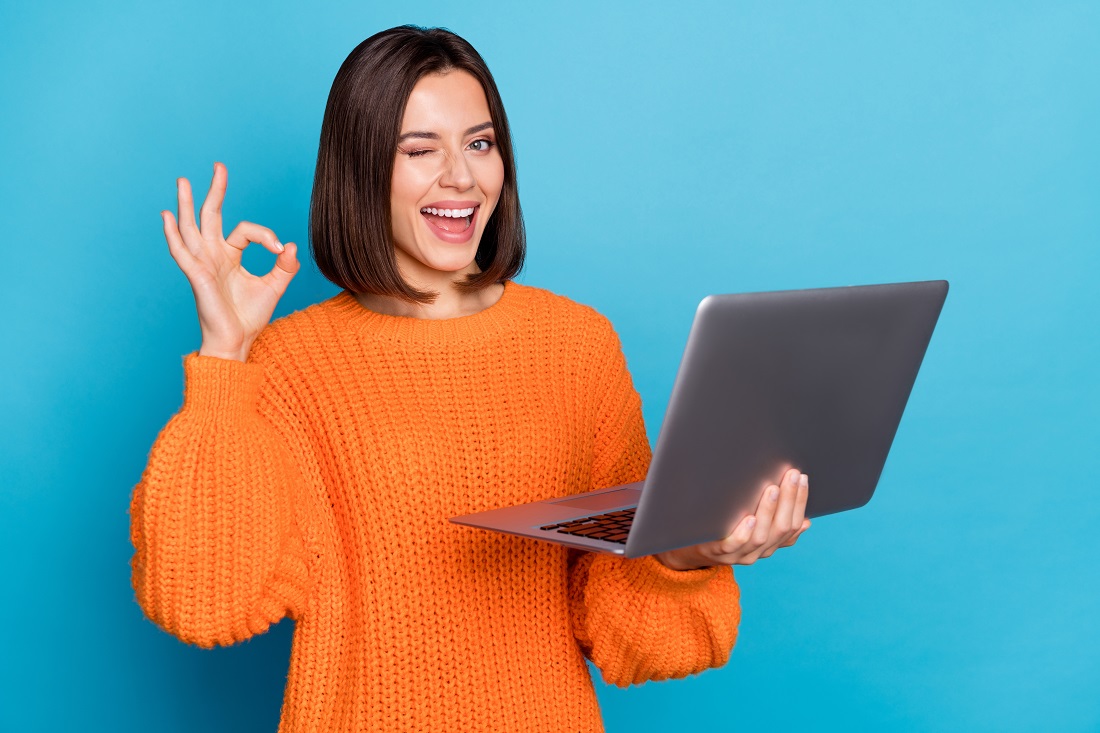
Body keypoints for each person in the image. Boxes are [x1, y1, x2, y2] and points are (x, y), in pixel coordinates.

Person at [130, 25, 811, 732]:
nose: (461, 176)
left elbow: (632, 636)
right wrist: (224, 354)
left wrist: (685, 553)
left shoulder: (577, 346)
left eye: (479, 144)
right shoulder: (286, 364)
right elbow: (201, 602)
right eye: (420, 150)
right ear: (361, 169)